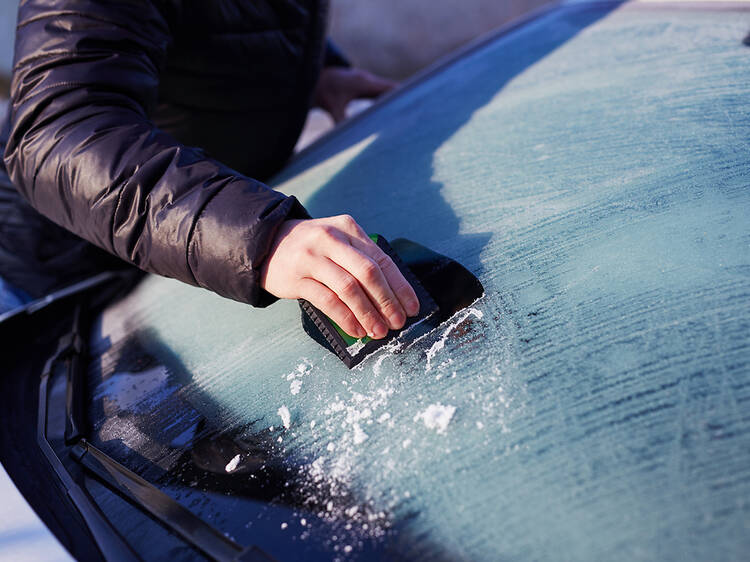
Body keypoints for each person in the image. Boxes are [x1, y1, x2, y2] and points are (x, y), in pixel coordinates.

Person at [0, 0, 419, 338]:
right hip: (46, 290)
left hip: (184, 271)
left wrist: (322, 72)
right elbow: (59, 133)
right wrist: (260, 238)